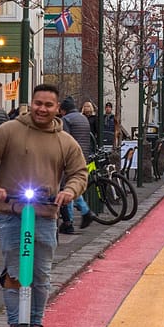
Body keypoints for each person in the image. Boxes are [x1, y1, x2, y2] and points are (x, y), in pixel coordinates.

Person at [0, 83, 88, 327]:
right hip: (12, 213)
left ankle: (36, 325)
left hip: (44, 215)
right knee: (15, 273)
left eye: (48, 105)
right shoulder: (9, 131)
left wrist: (68, 191)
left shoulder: (65, 141)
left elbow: (79, 173)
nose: (42, 109)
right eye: (38, 103)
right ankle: (16, 325)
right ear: (32, 103)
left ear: (57, 108)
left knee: (41, 275)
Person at [58, 97, 94, 233]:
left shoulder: (66, 120)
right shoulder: (83, 118)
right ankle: (85, 212)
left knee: (67, 187)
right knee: (73, 186)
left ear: (64, 110)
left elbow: (65, 139)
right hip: (83, 155)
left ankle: (69, 222)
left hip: (70, 158)